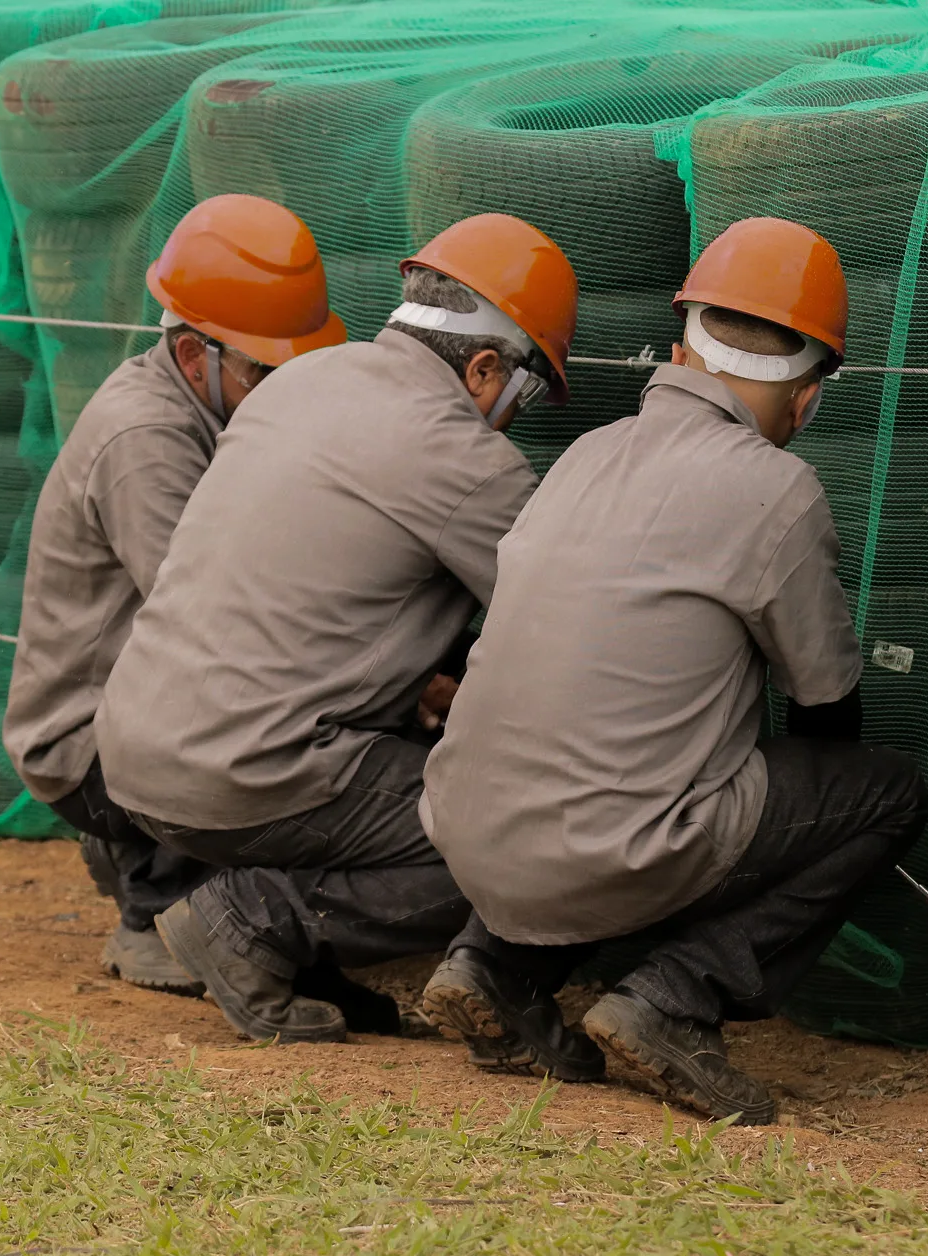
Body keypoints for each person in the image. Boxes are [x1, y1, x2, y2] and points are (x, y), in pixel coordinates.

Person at [418, 217, 928, 1124]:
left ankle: (491, 966)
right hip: (610, 849)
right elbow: (826, 709)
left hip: (463, 833)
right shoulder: (778, 489)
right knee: (880, 794)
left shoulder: (583, 455)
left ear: (680, 352)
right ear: (809, 397)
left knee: (605, 773)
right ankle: (675, 999)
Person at [94, 213, 579, 1044]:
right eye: (526, 391)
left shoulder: (299, 381)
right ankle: (253, 925)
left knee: (408, 754)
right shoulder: (466, 460)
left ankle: (280, 945)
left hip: (131, 748)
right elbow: (568, 628)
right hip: (240, 773)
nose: (515, 414)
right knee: (527, 833)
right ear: (485, 366)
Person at [4, 194, 345, 995]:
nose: (285, 389)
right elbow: (203, 619)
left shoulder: (208, 408)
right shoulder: (147, 440)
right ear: (194, 355)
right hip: (85, 741)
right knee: (278, 711)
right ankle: (154, 910)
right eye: (267, 371)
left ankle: (142, 854)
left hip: (129, 708)